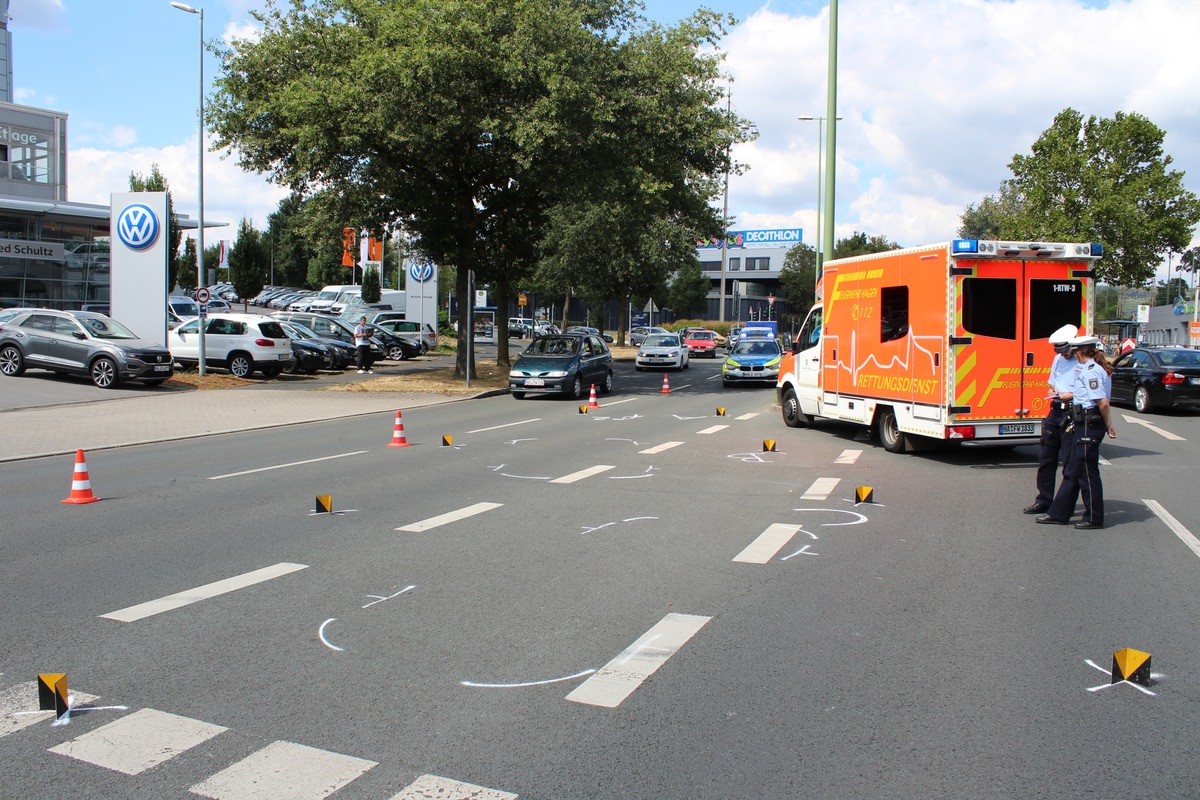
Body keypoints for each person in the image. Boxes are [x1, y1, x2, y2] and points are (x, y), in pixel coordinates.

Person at [1037, 334, 1117, 529]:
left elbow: (1103, 402)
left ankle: (1093, 517)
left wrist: (1109, 426)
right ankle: (1060, 512)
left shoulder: (1090, 371)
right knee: (1077, 468)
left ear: (1080, 352)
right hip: (1081, 420)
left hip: (1089, 421)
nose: (1068, 353)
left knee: (1087, 472)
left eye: (1072, 349)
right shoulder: (1085, 368)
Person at [1023, 324, 1078, 514]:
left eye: (1065, 350)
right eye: (1059, 351)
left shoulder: (1082, 361)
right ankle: (1044, 500)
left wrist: (1070, 394)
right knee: (1046, 459)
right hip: (1055, 411)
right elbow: (1052, 381)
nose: (1063, 355)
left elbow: (1090, 390)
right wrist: (1053, 390)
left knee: (1070, 463)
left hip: (1072, 412)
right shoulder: (1058, 359)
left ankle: (1064, 505)